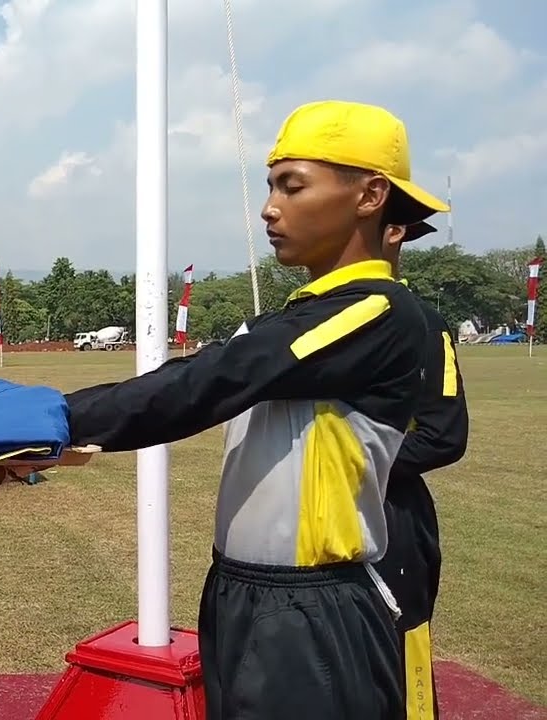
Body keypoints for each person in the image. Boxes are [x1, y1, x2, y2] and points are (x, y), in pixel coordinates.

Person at [63, 100, 449, 719]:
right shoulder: (302, 313)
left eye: (293, 186)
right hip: (243, 592)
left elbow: (212, 379)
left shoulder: (379, 310)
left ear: (371, 195)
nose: (271, 206)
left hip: (310, 611)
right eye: (271, 186)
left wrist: (52, 419)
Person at [374, 219, 469, 719]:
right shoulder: (310, 317)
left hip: (391, 519)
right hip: (315, 521)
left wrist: (351, 462)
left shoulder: (422, 324)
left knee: (399, 662)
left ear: (393, 232)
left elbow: (443, 436)